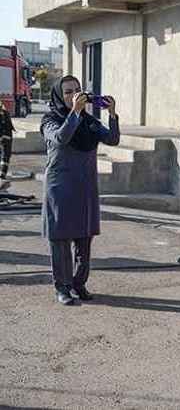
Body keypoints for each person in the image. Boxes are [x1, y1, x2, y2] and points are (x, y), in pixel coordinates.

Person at [40, 75, 119, 305]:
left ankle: (79, 283)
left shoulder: (89, 121)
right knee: (61, 240)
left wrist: (112, 114)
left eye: (76, 90)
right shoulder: (49, 120)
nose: (73, 95)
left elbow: (112, 139)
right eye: (67, 92)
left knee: (85, 238)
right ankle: (62, 287)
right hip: (60, 187)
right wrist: (74, 112)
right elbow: (62, 138)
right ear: (58, 95)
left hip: (85, 187)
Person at [0, 101, 14, 181]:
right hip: (7, 137)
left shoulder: (4, 113)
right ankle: (2, 174)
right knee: (5, 156)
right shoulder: (5, 113)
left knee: (3, 156)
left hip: (4, 137)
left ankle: (2, 174)